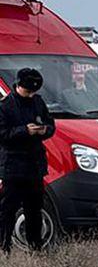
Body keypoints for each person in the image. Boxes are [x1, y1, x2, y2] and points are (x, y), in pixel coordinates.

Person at [0, 68, 55, 253]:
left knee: (34, 210)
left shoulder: (38, 102)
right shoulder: (5, 106)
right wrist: (25, 130)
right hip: (13, 167)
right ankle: (4, 247)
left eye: (34, 91)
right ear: (18, 85)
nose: (31, 94)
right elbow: (3, 135)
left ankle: (36, 247)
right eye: (27, 91)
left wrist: (43, 130)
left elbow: (51, 125)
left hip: (35, 166)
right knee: (8, 210)